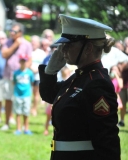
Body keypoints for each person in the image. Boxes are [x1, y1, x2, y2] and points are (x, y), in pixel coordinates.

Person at [39, 14, 120, 160]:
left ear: (88, 48)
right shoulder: (79, 77)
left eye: (69, 44)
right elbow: (49, 95)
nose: (63, 49)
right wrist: (49, 73)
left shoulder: (97, 83)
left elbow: (107, 142)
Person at [0, 22, 32, 131]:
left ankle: (23, 126)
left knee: (22, 100)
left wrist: (23, 73)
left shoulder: (27, 44)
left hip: (21, 78)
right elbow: (4, 55)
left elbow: (29, 60)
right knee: (8, 99)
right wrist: (15, 45)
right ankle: (7, 123)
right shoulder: (8, 42)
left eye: (14, 31)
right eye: (11, 30)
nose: (11, 33)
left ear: (21, 33)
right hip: (9, 75)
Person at [13, 54, 34, 135]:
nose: (23, 63)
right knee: (18, 112)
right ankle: (18, 129)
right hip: (17, 94)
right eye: (21, 61)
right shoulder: (16, 73)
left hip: (27, 95)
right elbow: (14, 82)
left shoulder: (30, 73)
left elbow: (31, 83)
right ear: (19, 62)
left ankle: (26, 128)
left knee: (26, 112)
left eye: (24, 61)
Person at [30, 35, 46, 116]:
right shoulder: (28, 51)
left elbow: (44, 64)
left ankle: (34, 109)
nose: (33, 43)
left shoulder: (41, 53)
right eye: (32, 41)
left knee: (36, 93)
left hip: (37, 76)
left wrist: (36, 70)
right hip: (28, 76)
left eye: (35, 42)